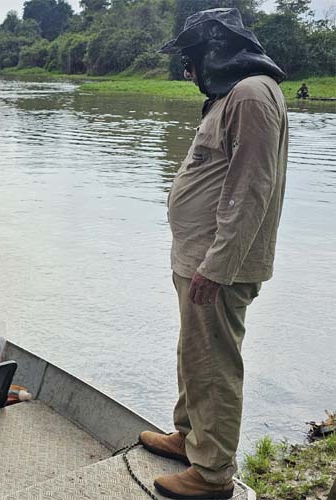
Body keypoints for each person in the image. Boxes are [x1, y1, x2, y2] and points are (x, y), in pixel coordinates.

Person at [139, 8, 288, 500]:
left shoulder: (250, 95)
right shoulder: (234, 96)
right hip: (199, 256)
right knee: (194, 354)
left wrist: (217, 266)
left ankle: (211, 474)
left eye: (192, 58)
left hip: (218, 265)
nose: (188, 71)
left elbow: (251, 190)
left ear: (217, 52)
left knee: (215, 363)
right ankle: (190, 438)